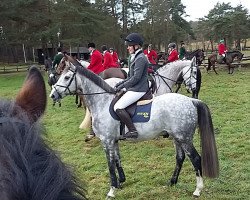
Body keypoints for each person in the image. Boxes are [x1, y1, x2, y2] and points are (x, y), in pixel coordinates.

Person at [114, 33, 149, 139]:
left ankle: (133, 130)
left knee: (118, 107)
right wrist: (120, 84)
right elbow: (130, 76)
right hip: (134, 87)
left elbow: (136, 78)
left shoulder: (141, 58)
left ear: (136, 46)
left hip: (139, 89)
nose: (128, 47)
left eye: (129, 45)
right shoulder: (135, 57)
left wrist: (123, 87)